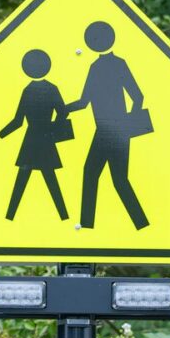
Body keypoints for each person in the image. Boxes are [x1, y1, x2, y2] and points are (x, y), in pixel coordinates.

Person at [66, 21, 149, 230]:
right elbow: (137, 97)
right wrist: (130, 122)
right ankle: (140, 224)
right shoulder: (116, 64)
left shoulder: (97, 67)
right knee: (116, 179)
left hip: (107, 131)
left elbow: (84, 102)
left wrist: (62, 109)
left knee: (94, 174)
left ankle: (87, 225)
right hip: (116, 131)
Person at [0, 49, 70, 221]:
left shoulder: (28, 90)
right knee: (50, 179)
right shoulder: (52, 89)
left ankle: (10, 217)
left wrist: (0, 135)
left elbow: (18, 121)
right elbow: (63, 112)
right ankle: (64, 217)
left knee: (23, 179)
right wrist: (53, 127)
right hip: (46, 138)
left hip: (31, 140)